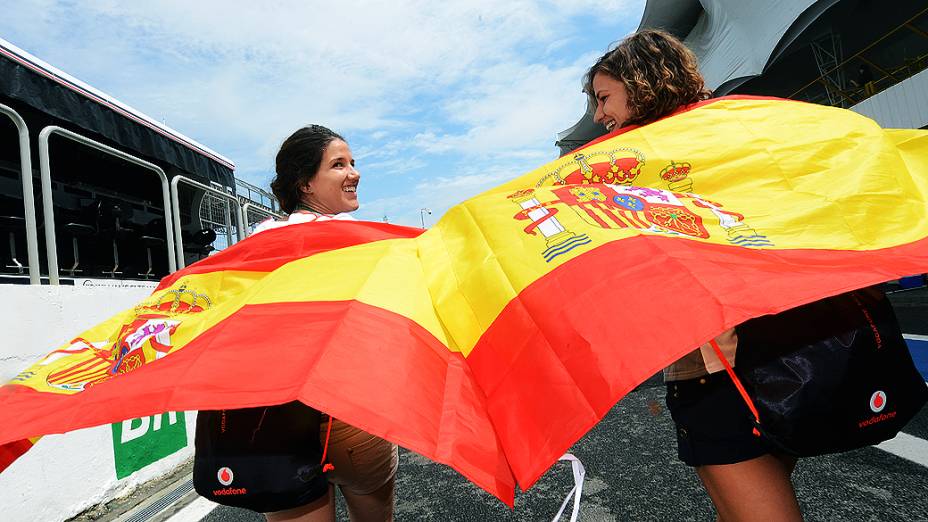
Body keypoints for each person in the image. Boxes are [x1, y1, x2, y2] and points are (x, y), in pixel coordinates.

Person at [584, 30, 803, 521]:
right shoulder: (735, 129)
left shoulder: (646, 161)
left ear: (641, 86)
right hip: (783, 346)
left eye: (604, 98)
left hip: (719, 362)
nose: (599, 116)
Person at [258, 125, 398, 522]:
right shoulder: (354, 240)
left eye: (352, 162)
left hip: (276, 422)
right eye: (338, 165)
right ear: (305, 183)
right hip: (352, 415)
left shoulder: (258, 239)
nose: (354, 172)